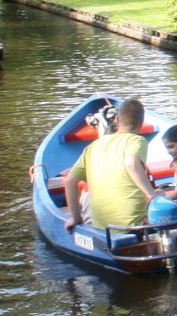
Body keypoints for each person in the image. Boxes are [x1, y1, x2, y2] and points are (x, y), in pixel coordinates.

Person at [64, 98, 157, 231]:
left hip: (101, 229)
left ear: (117, 120)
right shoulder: (137, 140)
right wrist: (152, 195)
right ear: (141, 124)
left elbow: (69, 182)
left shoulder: (92, 146)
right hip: (131, 228)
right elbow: (130, 163)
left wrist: (76, 218)